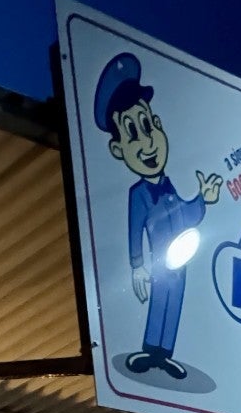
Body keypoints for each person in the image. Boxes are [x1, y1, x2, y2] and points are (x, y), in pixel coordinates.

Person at [93, 52, 222, 378]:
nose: (147, 141)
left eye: (148, 125)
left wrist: (203, 199)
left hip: (178, 260)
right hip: (159, 262)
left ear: (159, 126)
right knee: (159, 301)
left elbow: (186, 215)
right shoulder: (138, 194)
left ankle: (164, 354)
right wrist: (137, 265)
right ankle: (150, 350)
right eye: (133, 132)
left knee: (174, 302)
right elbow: (133, 229)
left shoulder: (169, 186)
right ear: (117, 149)